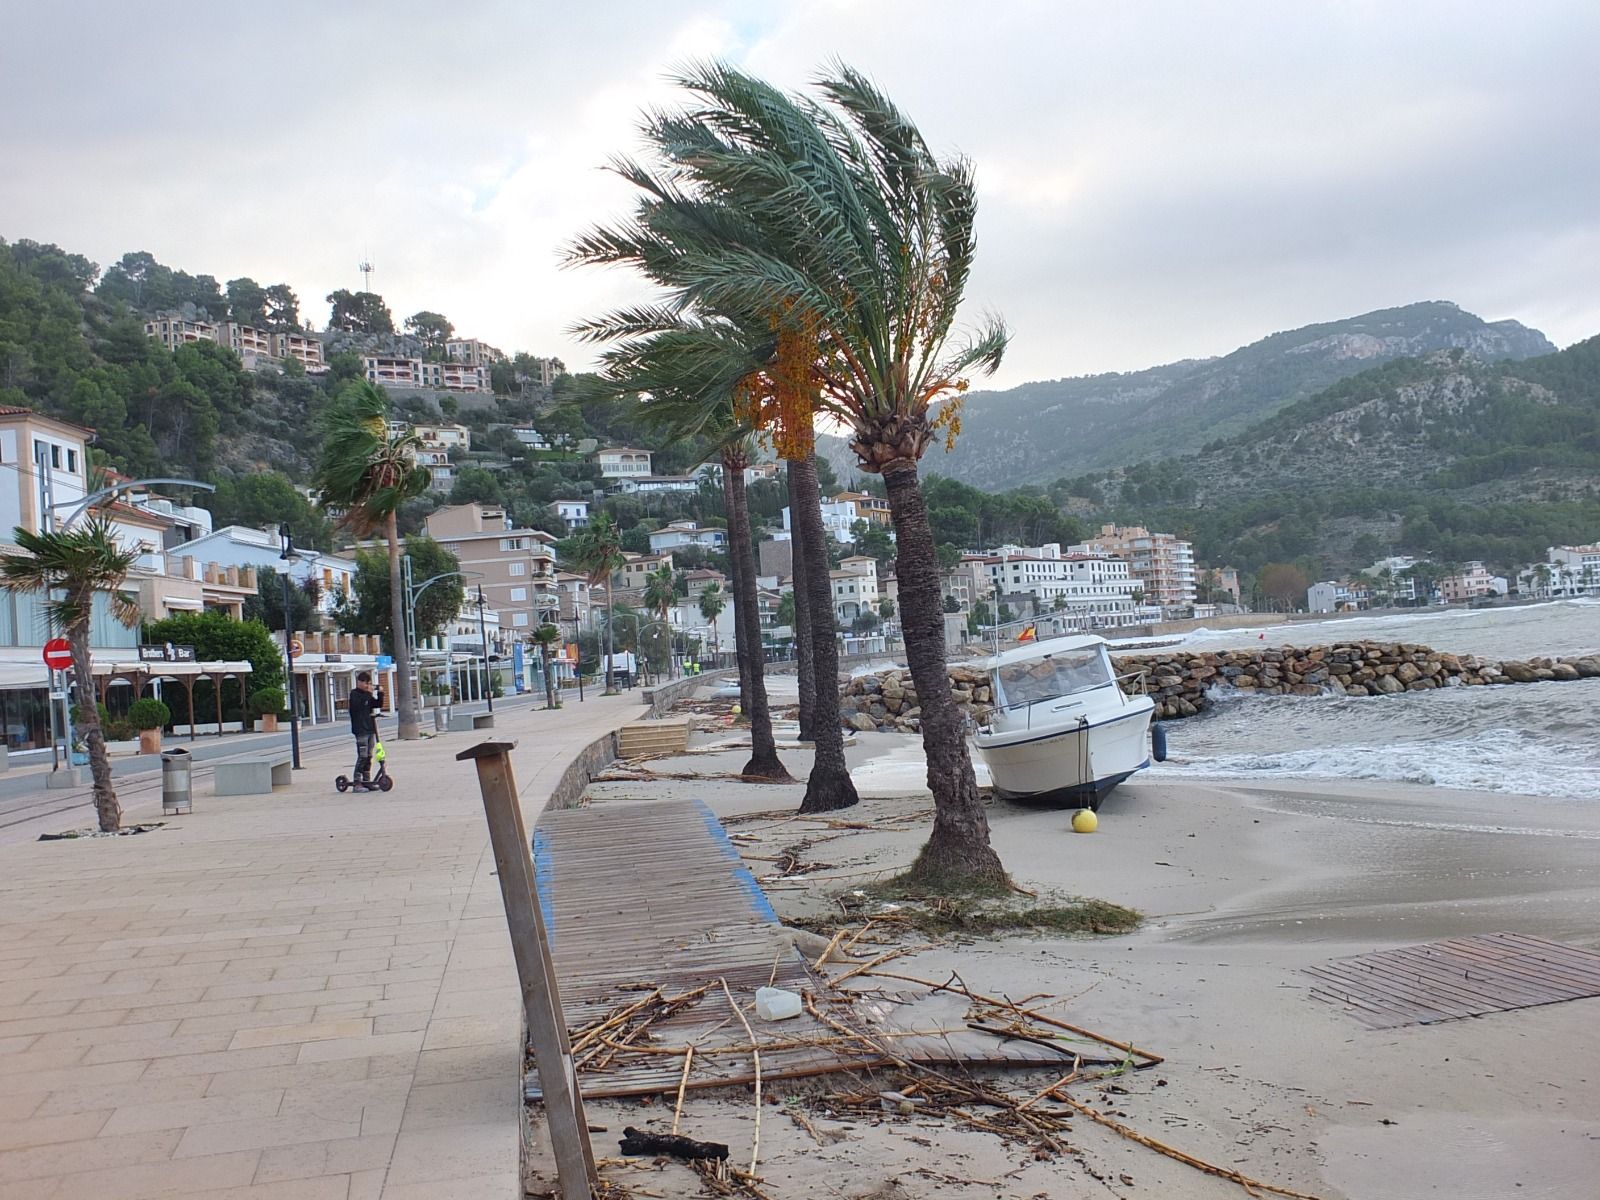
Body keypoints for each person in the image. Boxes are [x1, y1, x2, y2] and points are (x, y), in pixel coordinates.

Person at [348, 671, 384, 791]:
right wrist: (368, 694)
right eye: (366, 683)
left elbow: (377, 704)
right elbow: (358, 706)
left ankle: (367, 780)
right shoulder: (354, 694)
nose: (367, 686)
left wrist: (380, 693)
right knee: (362, 756)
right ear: (359, 682)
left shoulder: (367, 695)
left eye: (369, 683)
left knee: (369, 756)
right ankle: (357, 782)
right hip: (360, 729)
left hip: (370, 729)